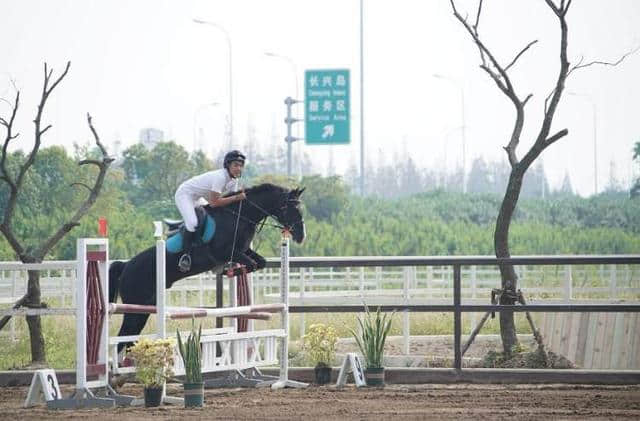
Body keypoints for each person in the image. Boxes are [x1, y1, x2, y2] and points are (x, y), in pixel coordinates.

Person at [174, 150, 247, 272]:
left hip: (198, 197)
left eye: (241, 165)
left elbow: (230, 202)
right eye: (235, 165)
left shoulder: (234, 181)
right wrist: (237, 197)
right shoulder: (220, 177)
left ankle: (214, 254)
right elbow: (215, 203)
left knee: (212, 218)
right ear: (228, 165)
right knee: (193, 223)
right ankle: (185, 256)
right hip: (185, 194)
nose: (238, 168)